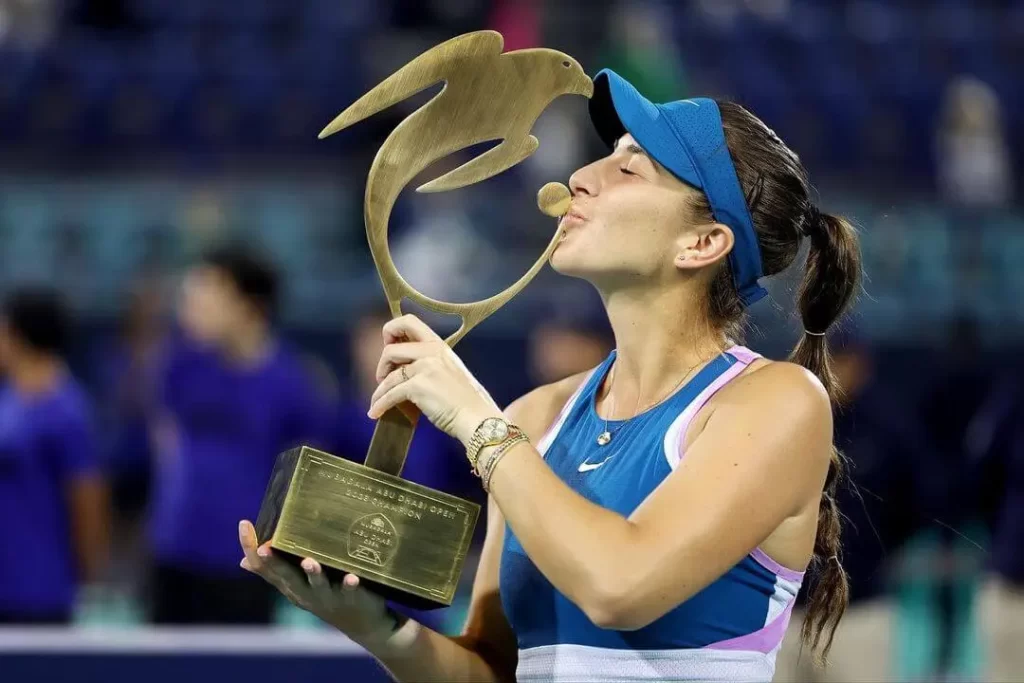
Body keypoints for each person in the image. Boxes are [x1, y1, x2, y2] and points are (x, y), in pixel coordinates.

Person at [239, 68, 862, 682]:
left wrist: (479, 425)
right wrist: (376, 627)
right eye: (602, 156)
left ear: (701, 243)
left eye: (629, 166)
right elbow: (490, 670)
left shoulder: (778, 403)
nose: (579, 178)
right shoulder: (533, 418)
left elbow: (621, 586)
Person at [148, 244, 325, 624]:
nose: (190, 308)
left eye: (205, 296)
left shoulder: (293, 384)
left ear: (248, 306)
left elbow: (304, 481)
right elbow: (165, 441)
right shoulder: (179, 364)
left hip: (247, 567)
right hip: (173, 556)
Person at [775, 327, 946, 682]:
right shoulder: (789, 420)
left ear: (861, 362)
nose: (835, 370)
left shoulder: (888, 426)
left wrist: (881, 548)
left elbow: (924, 500)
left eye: (841, 359)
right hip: (790, 611)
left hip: (861, 611)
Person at [0, 286, 109, 623]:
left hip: (39, 589)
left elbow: (87, 499)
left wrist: (86, 577)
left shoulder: (67, 411)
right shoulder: (8, 399)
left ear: (19, 337)